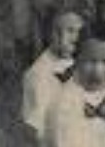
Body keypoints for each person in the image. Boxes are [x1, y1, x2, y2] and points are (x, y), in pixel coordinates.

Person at [23, 7, 85, 140]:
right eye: (70, 31)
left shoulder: (72, 62)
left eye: (80, 32)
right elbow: (40, 120)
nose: (76, 37)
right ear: (53, 35)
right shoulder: (41, 72)